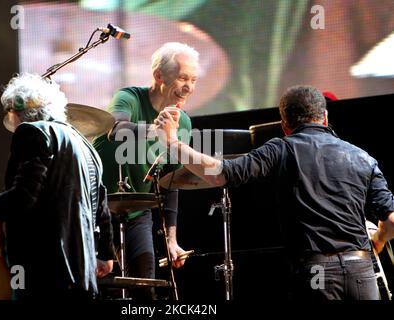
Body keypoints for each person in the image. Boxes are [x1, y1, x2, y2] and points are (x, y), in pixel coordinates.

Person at [155, 85, 394, 300]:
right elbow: (391, 220)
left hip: (317, 273)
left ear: (284, 125)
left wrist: (173, 142)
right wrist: (379, 239)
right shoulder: (363, 157)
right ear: (325, 117)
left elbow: (220, 173)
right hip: (361, 271)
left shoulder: (280, 148)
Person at [0, 73, 115, 300]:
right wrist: (106, 253)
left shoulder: (32, 132)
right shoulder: (87, 146)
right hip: (83, 277)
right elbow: (102, 210)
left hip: (45, 271)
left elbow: (24, 197)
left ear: (15, 112)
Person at [93, 42, 198, 300]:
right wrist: (156, 131)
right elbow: (116, 129)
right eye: (183, 77)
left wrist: (172, 240)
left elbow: (170, 182)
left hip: (137, 209)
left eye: (193, 80)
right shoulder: (129, 97)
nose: (189, 87)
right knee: (106, 289)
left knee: (145, 287)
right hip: (99, 209)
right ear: (159, 75)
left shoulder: (183, 121)